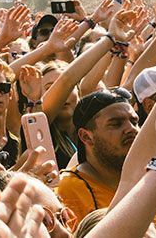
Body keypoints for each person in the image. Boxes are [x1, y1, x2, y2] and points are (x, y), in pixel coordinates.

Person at [55, 87, 137, 222]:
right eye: (116, 124)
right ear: (86, 137)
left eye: (134, 122)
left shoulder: (146, 175)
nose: (131, 129)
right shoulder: (70, 189)